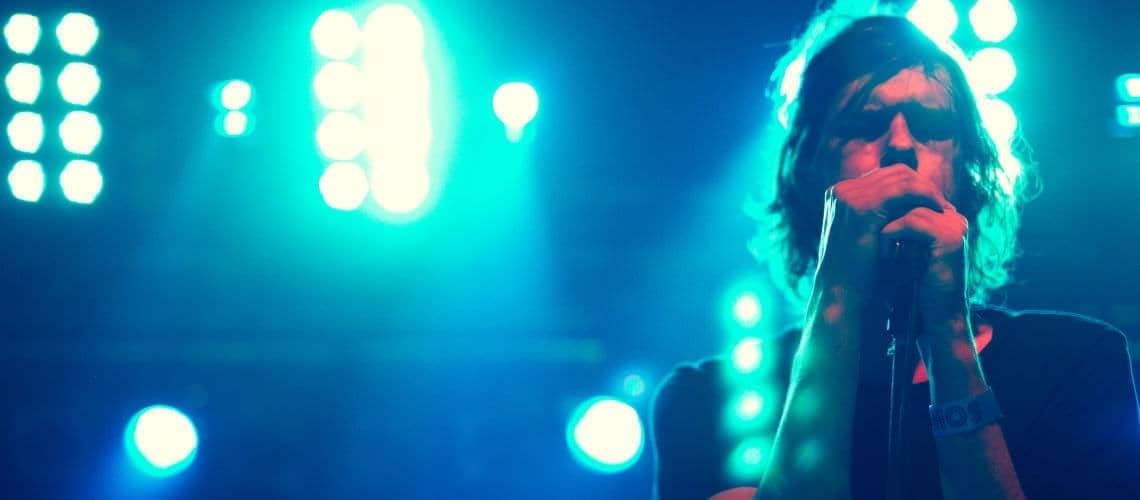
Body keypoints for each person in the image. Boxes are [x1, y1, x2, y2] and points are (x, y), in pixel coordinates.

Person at [651, 12, 1140, 500]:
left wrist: (947, 330)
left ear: (969, 168)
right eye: (865, 125)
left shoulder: (1077, 362)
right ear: (808, 167)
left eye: (931, 125)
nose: (901, 145)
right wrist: (838, 291)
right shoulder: (711, 398)